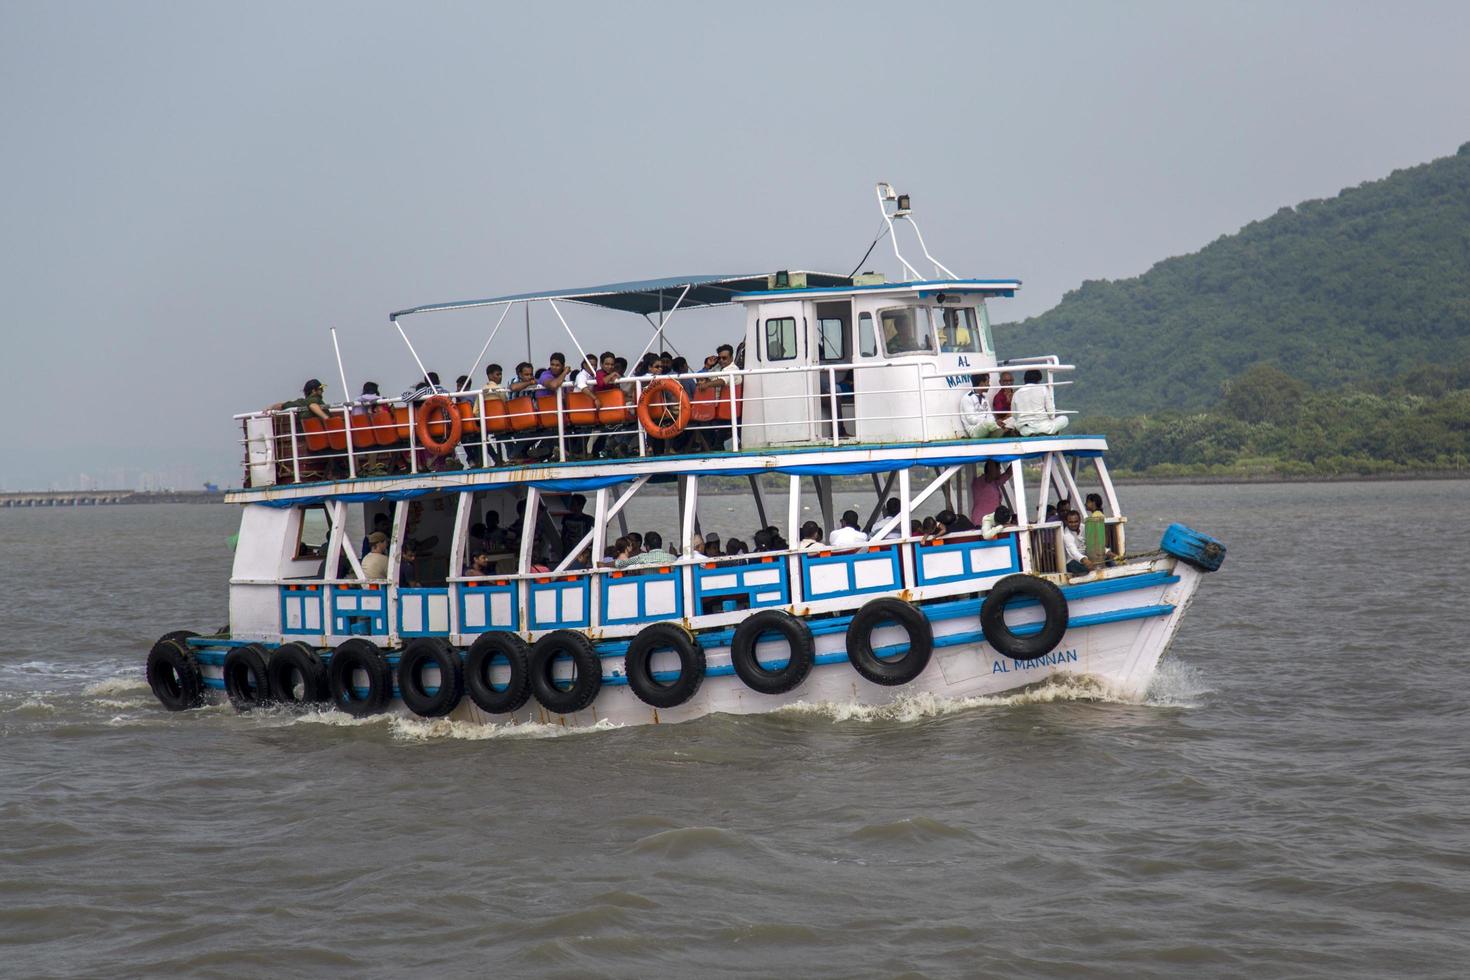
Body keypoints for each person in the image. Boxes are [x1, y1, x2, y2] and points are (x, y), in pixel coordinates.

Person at [1011, 369, 1069, 436]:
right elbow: (1051, 412)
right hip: (1043, 427)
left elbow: (1014, 416)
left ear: (1025, 380)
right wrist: (1050, 419)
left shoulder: (1017, 393)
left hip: (1025, 430)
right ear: (1039, 380)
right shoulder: (1043, 389)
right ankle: (1048, 435)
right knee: (1064, 419)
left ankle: (1033, 434)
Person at [969, 460, 1012, 526]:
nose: (1000, 472)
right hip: (981, 521)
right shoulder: (981, 481)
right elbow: (992, 473)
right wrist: (991, 457)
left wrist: (1018, 457)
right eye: (999, 469)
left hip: (992, 521)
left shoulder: (994, 483)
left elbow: (1008, 474)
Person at [960, 374, 1002, 438]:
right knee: (989, 423)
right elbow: (971, 420)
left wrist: (994, 422)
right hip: (974, 430)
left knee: (1008, 421)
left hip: (987, 427)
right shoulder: (967, 398)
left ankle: (1000, 431)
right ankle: (1001, 431)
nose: (989, 385)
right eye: (987, 382)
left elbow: (990, 415)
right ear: (982, 383)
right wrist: (988, 422)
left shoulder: (984, 398)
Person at [560, 494, 594, 558]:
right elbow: (563, 533)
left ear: (580, 505)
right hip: (568, 550)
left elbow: (602, 527)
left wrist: (591, 542)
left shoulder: (588, 519)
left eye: (573, 503)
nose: (570, 505)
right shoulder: (566, 517)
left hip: (582, 550)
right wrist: (565, 543)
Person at [1061, 510, 1093, 575]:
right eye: (1070, 522)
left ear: (1080, 521)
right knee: (1089, 571)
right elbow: (1073, 552)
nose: (1073, 524)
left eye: (1076, 521)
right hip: (1073, 561)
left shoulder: (1084, 527)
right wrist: (1084, 560)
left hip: (1087, 558)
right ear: (1066, 522)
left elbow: (1094, 542)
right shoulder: (1067, 535)